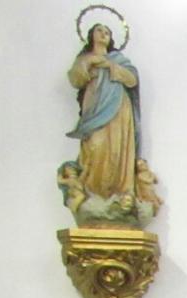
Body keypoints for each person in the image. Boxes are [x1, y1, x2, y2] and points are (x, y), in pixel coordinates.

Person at [66, 22, 139, 201]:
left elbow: (132, 79)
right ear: (91, 35)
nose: (103, 34)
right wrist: (90, 61)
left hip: (119, 108)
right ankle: (92, 192)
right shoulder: (85, 58)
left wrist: (110, 66)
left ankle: (118, 193)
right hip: (95, 108)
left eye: (107, 31)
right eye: (99, 30)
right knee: (96, 145)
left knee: (117, 148)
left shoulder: (118, 59)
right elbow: (75, 79)